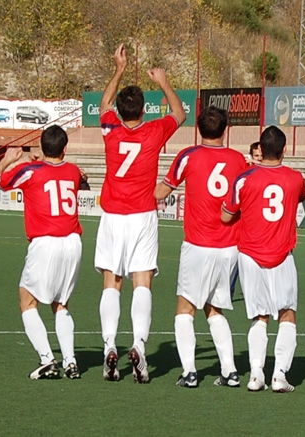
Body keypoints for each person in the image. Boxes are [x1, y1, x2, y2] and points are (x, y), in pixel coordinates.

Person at [96, 43, 186, 383]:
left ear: (120, 111)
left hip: (113, 215)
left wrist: (119, 69)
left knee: (111, 282)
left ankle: (109, 346)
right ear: (144, 110)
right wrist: (163, 82)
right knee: (142, 282)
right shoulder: (153, 131)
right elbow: (179, 114)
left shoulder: (110, 129)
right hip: (142, 215)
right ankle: (139, 346)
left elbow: (104, 104)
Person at [154, 106, 245, 388]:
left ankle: (190, 372)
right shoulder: (238, 159)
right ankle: (229, 372)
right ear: (226, 129)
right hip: (229, 247)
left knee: (185, 309)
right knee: (215, 310)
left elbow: (161, 191)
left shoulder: (188, 156)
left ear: (198, 128)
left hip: (198, 244)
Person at [0, 125, 83, 379]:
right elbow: (59, 171)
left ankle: (47, 359)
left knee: (27, 300)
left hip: (45, 241)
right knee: (61, 304)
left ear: (41, 146)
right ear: (65, 148)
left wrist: (7, 160)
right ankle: (70, 361)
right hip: (72, 241)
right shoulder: (73, 171)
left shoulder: (29, 171)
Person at [221, 126, 305, 393]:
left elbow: (226, 216)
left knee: (259, 317)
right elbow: (299, 198)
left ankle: (256, 374)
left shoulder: (244, 178)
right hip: (282, 255)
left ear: (259, 149)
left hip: (249, 254)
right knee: (287, 314)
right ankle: (279, 374)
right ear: (284, 149)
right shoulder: (295, 178)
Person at [231, 140, 264, 298]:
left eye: (261, 156)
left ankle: (260, 290)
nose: (258, 159)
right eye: (256, 156)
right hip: (243, 222)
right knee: (238, 257)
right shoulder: (244, 171)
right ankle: (229, 288)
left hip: (260, 222)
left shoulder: (266, 173)